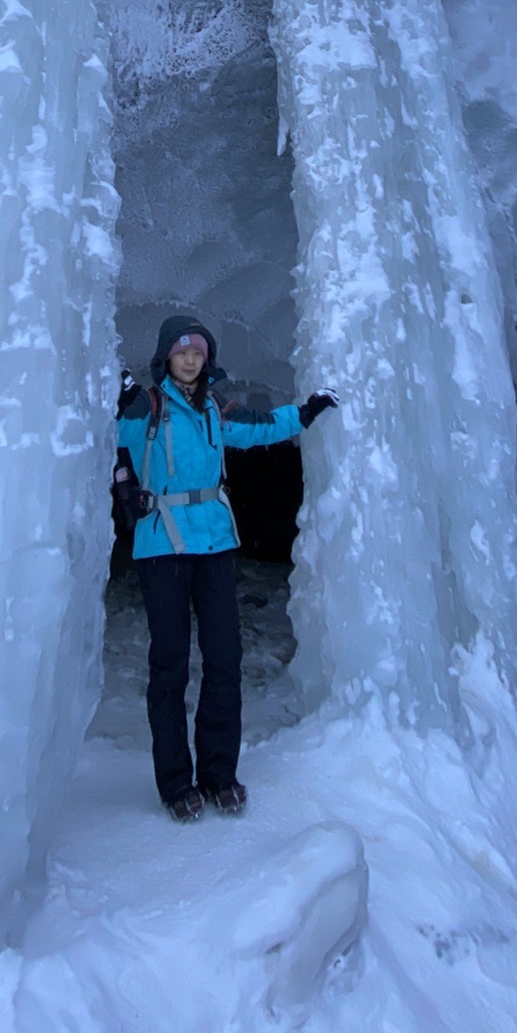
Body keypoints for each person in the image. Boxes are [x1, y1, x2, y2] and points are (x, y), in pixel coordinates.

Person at [114, 314, 336, 823]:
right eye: (181, 351)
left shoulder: (216, 409)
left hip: (214, 543)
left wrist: (306, 413)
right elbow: (108, 421)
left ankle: (219, 774)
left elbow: (260, 429)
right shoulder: (144, 409)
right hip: (162, 544)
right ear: (166, 357)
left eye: (198, 352)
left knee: (223, 661)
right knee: (169, 666)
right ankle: (175, 783)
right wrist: (114, 390)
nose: (190, 359)